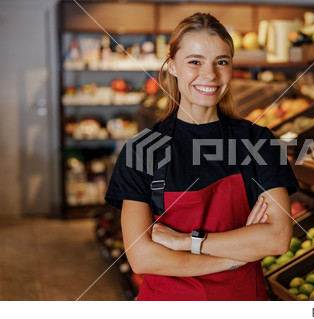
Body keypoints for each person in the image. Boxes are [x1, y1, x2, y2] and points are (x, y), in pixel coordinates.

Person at [105, 12, 300, 301]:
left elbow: (277, 238)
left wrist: (183, 242)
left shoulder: (257, 142)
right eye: (195, 61)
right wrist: (232, 258)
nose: (209, 74)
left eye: (221, 62)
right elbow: (143, 257)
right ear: (172, 65)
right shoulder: (142, 150)